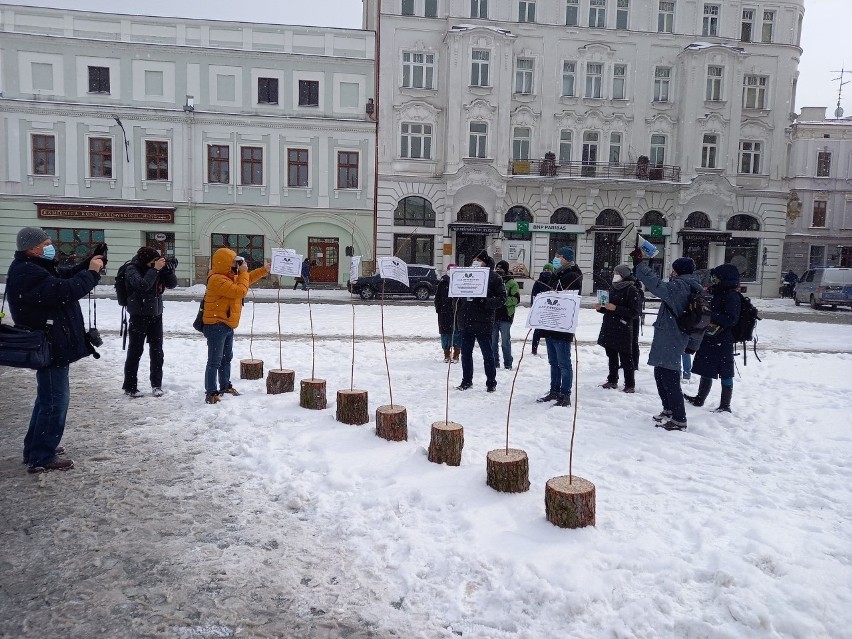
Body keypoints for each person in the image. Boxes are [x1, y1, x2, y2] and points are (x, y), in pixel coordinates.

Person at [6, 226, 105, 473]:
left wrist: (87, 263)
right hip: (50, 344)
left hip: (52, 342)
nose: (51, 247)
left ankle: (36, 446)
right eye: (46, 243)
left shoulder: (34, 267)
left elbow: (64, 275)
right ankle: (41, 455)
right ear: (32, 248)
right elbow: (65, 291)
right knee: (54, 402)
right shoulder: (28, 272)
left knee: (46, 400)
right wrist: (91, 274)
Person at [630, 251, 704, 431]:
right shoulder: (692, 285)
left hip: (671, 336)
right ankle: (669, 409)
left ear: (678, 271)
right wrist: (693, 344)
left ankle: (679, 418)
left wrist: (640, 265)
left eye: (673, 270)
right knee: (661, 373)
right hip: (672, 335)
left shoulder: (679, 286)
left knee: (669, 377)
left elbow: (654, 285)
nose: (671, 273)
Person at [202, 249, 270, 404]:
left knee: (226, 358)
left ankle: (225, 385)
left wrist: (264, 270)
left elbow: (247, 279)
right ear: (225, 263)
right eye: (234, 261)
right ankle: (211, 392)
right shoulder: (217, 279)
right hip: (215, 325)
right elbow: (240, 291)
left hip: (226, 324)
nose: (236, 264)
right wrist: (243, 272)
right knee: (214, 361)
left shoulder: (228, 276)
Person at [684, 264, 742, 413]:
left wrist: (710, 315)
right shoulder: (718, 292)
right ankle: (700, 398)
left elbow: (731, 319)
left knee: (725, 371)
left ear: (724, 279)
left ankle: (725, 405)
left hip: (723, 339)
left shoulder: (732, 296)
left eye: (717, 277)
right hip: (710, 336)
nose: (714, 279)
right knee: (706, 367)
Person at [121, 246, 178, 398]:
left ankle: (156, 385)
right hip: (138, 315)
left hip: (156, 314)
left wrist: (167, 270)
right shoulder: (132, 269)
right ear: (146, 260)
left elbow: (172, 284)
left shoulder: (156, 269)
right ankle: (130, 386)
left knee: (157, 351)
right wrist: (155, 270)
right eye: (153, 261)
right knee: (135, 351)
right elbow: (143, 286)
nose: (156, 263)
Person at [536, 247, 583, 407]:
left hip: (562, 324)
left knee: (564, 362)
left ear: (567, 259)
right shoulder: (557, 274)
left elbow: (567, 297)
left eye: (558, 256)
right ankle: (554, 391)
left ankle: (565, 394)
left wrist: (553, 292)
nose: (555, 258)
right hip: (551, 323)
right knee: (553, 362)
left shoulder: (573, 275)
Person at [456, 250, 506, 393]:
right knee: (465, 353)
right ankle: (466, 381)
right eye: (474, 259)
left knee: (488, 354)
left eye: (478, 260)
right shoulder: (466, 275)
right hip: (466, 321)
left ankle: (491, 382)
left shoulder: (494, 277)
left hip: (483, 322)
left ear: (485, 261)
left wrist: (484, 301)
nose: (475, 262)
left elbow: (501, 299)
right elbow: (458, 295)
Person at [595, 264, 642, 393]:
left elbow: (635, 312)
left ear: (623, 275)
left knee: (626, 357)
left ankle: (629, 384)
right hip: (610, 326)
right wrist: (601, 308)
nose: (613, 274)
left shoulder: (631, 289)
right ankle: (612, 379)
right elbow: (608, 307)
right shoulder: (613, 287)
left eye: (616, 272)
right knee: (611, 355)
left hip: (623, 328)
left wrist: (616, 308)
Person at [492, 260, 520, 370]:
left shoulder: (512, 283)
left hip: (506, 317)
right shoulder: (493, 280)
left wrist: (503, 301)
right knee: (493, 342)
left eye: (501, 268)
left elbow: (516, 299)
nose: (499, 271)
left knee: (505, 342)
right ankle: (495, 362)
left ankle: (508, 363)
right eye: (497, 268)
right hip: (493, 316)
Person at [434, 263, 461, 363]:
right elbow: (437, 297)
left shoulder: (460, 281)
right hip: (444, 312)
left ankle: (457, 354)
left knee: (457, 333)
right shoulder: (443, 282)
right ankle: (446, 353)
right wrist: (439, 308)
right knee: (445, 334)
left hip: (457, 312)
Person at [529, 263, 555, 356]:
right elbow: (534, 295)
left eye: (548, 270)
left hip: (546, 309)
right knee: (542, 331)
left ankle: (540, 350)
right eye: (546, 270)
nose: (547, 272)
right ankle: (536, 349)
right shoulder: (541, 282)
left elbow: (534, 295)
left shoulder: (550, 281)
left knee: (543, 331)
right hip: (545, 309)